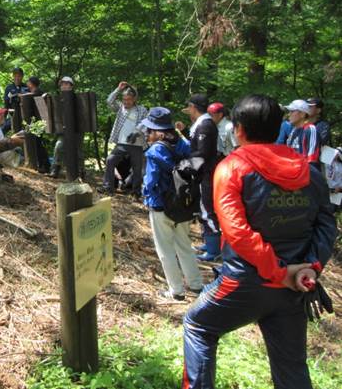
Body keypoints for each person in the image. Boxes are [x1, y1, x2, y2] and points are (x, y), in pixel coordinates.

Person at [182, 94, 337, 389]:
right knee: (291, 368)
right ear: (278, 127)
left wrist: (279, 271)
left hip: (244, 282)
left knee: (198, 325)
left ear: (238, 129)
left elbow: (238, 232)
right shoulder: (308, 170)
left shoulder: (232, 167)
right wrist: (310, 267)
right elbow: (327, 224)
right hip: (294, 287)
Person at [141, 107, 203, 301]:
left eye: (148, 130)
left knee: (165, 250)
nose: (146, 134)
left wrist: (144, 194)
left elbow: (151, 182)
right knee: (184, 246)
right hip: (183, 205)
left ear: (156, 131)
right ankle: (196, 285)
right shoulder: (182, 145)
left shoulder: (154, 151)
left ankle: (176, 291)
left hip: (160, 205)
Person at [176, 94, 220, 261]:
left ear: (193, 107)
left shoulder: (206, 126)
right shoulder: (201, 125)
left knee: (207, 209)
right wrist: (185, 131)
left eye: (189, 108)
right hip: (202, 173)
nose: (188, 111)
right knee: (203, 208)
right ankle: (209, 244)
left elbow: (202, 153)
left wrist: (184, 167)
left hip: (205, 174)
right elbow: (198, 146)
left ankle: (214, 249)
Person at [98, 81, 148, 197]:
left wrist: (136, 132)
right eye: (124, 99)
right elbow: (109, 101)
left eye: (128, 100)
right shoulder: (121, 108)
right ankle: (108, 187)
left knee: (137, 169)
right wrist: (118, 89)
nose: (126, 102)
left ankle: (136, 192)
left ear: (134, 99)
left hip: (137, 144)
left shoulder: (142, 110)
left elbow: (145, 123)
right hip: (121, 143)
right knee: (110, 160)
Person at [49, 76, 85, 180]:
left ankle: (80, 171)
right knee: (59, 147)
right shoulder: (59, 99)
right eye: (62, 84)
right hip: (64, 130)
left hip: (77, 130)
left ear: (71, 86)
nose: (63, 86)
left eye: (66, 84)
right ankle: (55, 168)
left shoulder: (78, 98)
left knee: (78, 150)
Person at [25, 76, 51, 173]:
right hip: (39, 121)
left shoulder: (37, 93)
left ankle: (44, 165)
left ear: (31, 83)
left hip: (38, 122)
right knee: (38, 143)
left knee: (38, 143)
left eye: (28, 82)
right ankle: (44, 164)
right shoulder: (37, 92)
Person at [285, 99, 320, 169]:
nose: (289, 114)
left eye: (292, 111)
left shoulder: (310, 129)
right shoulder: (293, 131)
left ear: (302, 114)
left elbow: (311, 160)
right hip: (292, 171)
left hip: (306, 174)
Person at [2, 67, 28, 133]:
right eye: (15, 76)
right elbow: (6, 103)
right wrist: (4, 117)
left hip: (25, 115)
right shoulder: (9, 88)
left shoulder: (26, 87)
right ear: (13, 76)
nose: (17, 78)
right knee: (3, 128)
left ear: (22, 76)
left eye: (19, 76)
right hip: (13, 115)